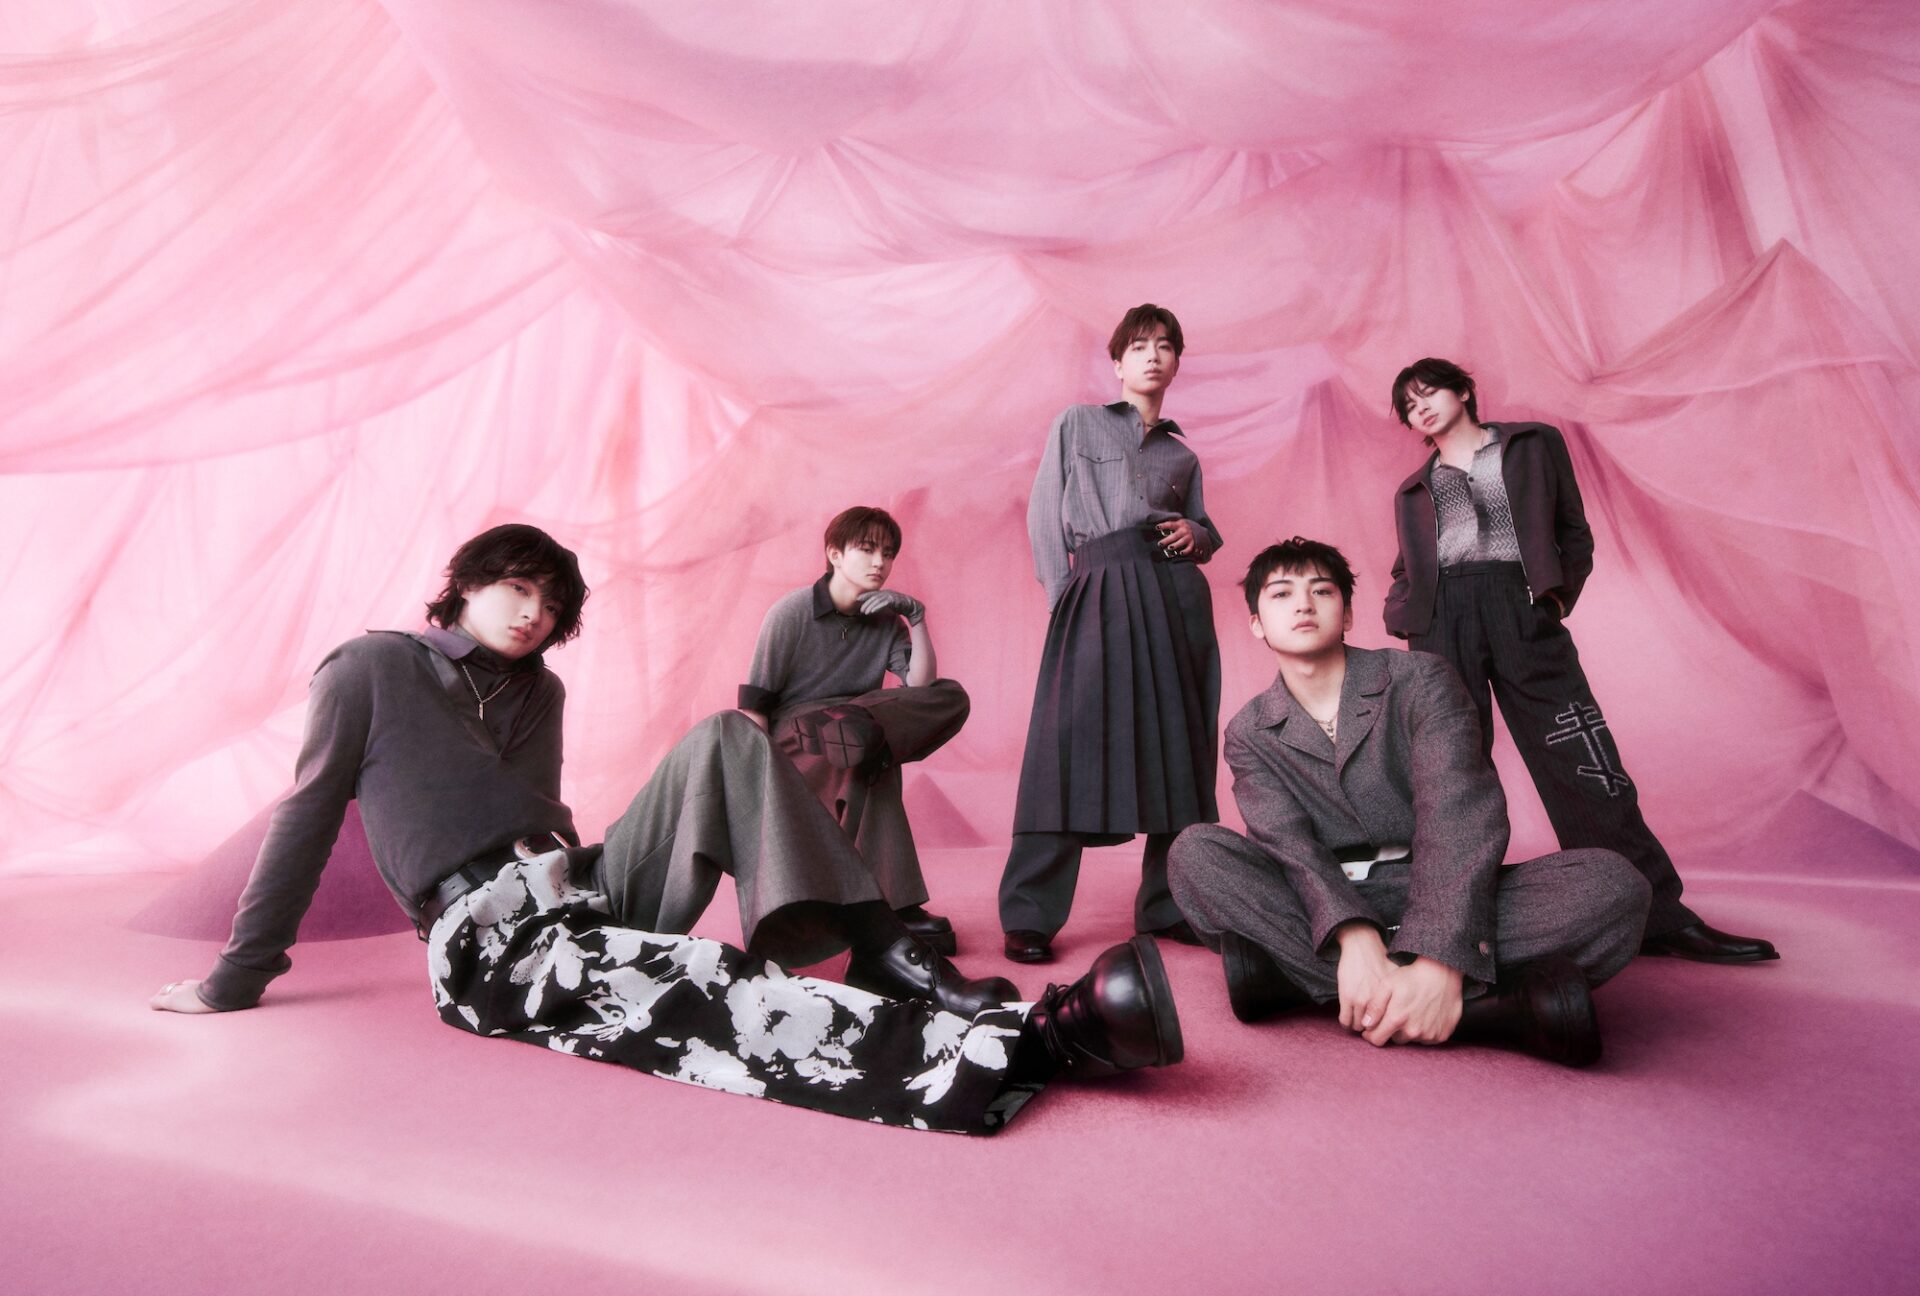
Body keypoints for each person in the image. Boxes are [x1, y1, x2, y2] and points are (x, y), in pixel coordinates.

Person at [151, 524, 1184, 1134]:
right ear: (463, 584)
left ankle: (882, 949)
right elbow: (304, 819)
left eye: (550, 605)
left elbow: (543, 819)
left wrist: (595, 872)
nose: (530, 612)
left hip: (580, 886)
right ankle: (1034, 1045)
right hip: (489, 942)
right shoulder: (370, 668)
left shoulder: (540, 693)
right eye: (514, 588)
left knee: (728, 735)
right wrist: (237, 975)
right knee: (709, 983)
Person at [1170, 538, 1652, 1065]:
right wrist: (1354, 937)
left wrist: (1439, 957)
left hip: (1443, 886)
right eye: (1282, 594)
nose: (1303, 604)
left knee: (1613, 886)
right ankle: (1498, 1009)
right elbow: (1289, 848)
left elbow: (1459, 812)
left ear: (1347, 614)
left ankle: (1300, 983)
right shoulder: (1248, 731)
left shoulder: (1422, 680)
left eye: (1322, 591)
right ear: (1257, 624)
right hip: (1326, 903)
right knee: (1196, 854)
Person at [1384, 358, 1777, 964]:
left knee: (1581, 755)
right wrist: (1407, 614)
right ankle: (1458, 925)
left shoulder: (1531, 445)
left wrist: (1553, 599)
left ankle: (1658, 918)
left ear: (1463, 390)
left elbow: (1573, 530)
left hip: (1518, 603)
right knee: (1452, 771)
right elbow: (1406, 567)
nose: (1422, 409)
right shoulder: (1413, 490)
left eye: (1429, 392)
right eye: (1410, 407)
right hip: (1443, 620)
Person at [1000, 304, 1223, 964]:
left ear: (1176, 363)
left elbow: (1205, 530)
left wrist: (1199, 534)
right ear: (1118, 362)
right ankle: (1029, 915)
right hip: (1097, 586)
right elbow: (1045, 513)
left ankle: (1168, 906)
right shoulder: (1077, 422)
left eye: (1165, 346)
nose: (1153, 355)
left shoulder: (1183, 455)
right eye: (1139, 345)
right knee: (1064, 746)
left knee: (1182, 743)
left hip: (1174, 596)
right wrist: (1062, 597)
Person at [738, 506, 968, 954]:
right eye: (867, 549)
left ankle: (871, 908)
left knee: (949, 695)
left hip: (858, 727)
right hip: (797, 737)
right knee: (866, 754)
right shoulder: (792, 611)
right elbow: (755, 702)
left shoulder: (887, 620)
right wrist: (760, 781)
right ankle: (899, 909)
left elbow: (919, 688)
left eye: (888, 553)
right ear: (834, 554)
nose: (880, 562)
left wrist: (917, 618)